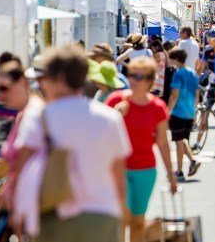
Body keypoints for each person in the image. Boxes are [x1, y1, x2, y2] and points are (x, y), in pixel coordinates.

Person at [13, 46, 130, 241]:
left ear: (58, 77)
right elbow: (119, 176)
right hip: (102, 214)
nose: (42, 85)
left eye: (45, 78)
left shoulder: (38, 117)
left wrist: (17, 210)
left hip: (52, 213)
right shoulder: (110, 118)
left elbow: (22, 166)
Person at [105, 56, 178, 242]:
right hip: (118, 169)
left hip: (145, 170)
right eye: (131, 75)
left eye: (139, 76)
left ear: (150, 80)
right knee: (122, 217)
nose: (134, 80)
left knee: (138, 221)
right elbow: (99, 134)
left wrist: (171, 174)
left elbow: (163, 143)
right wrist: (114, 116)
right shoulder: (114, 101)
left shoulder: (157, 107)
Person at [0, 58, 45, 235]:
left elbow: (25, 166)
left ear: (23, 82)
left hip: (30, 209)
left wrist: (16, 209)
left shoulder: (33, 115)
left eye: (4, 88)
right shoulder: (24, 115)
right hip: (20, 206)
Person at [166, 49, 201, 181]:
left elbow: (175, 94)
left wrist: (167, 110)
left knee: (178, 141)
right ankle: (192, 161)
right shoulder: (192, 73)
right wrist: (194, 109)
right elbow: (197, 93)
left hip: (178, 111)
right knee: (182, 139)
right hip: (190, 110)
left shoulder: (178, 74)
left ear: (176, 59)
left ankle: (179, 171)